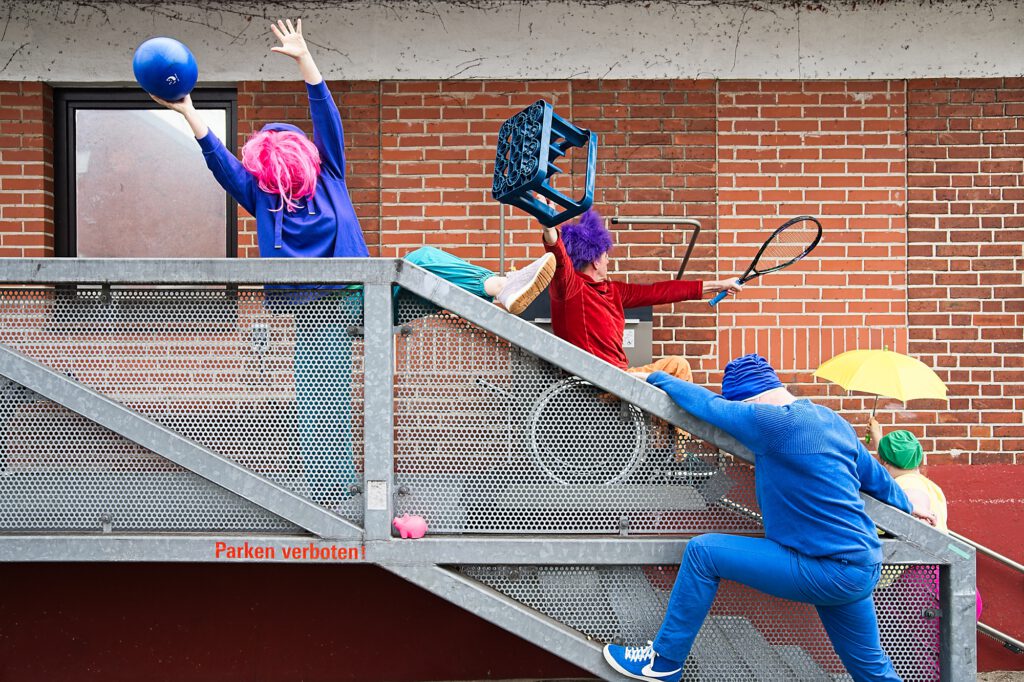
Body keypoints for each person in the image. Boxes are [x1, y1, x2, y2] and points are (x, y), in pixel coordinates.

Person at [152, 19, 554, 504]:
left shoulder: (283, 188)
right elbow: (295, 132)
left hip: (356, 305)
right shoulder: (307, 182)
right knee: (326, 396)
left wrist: (195, 106)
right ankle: (331, 492)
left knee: (326, 391)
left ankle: (500, 287)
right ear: (301, 158)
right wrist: (295, 66)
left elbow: (228, 158)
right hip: (343, 309)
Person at [604, 354, 938, 682]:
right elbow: (876, 479)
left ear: (754, 399)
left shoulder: (770, 421)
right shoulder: (833, 420)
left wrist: (657, 378)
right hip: (862, 565)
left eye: (744, 406)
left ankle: (664, 662)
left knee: (703, 553)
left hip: (823, 566)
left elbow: (710, 407)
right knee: (871, 671)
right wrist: (908, 505)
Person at [540, 209, 743, 382]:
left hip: (619, 378)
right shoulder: (571, 287)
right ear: (595, 261)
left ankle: (669, 429)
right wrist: (549, 228)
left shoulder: (614, 291)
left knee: (673, 371)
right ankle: (679, 430)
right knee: (678, 366)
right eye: (606, 256)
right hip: (600, 381)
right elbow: (559, 258)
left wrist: (720, 285)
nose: (609, 261)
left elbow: (662, 292)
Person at [868, 418, 983, 618]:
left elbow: (915, 503)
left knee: (923, 648)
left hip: (922, 583)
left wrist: (918, 511)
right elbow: (896, 465)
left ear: (884, 462)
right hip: (945, 580)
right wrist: (879, 439)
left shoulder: (907, 484)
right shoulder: (927, 484)